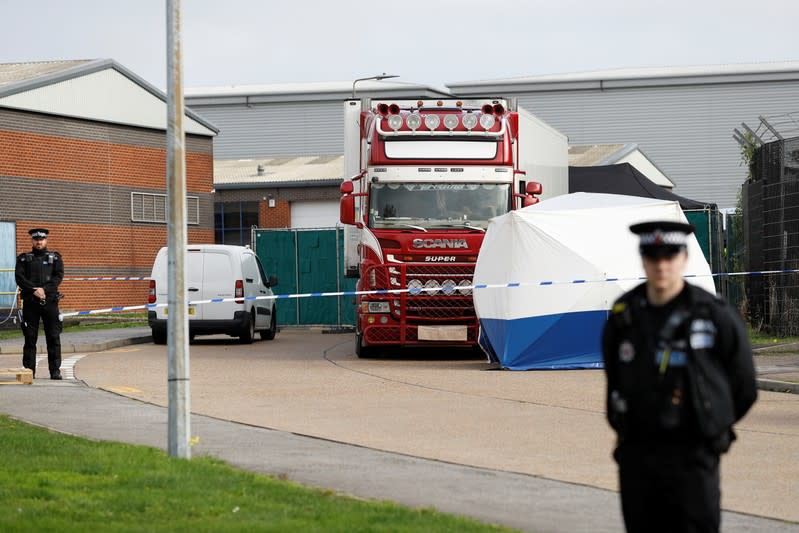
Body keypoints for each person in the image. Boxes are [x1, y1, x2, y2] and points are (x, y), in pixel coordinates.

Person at [602, 220, 757, 533]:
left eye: (670, 256)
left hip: (693, 455)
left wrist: (712, 425)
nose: (662, 266)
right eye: (653, 257)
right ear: (643, 259)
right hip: (639, 456)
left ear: (684, 258)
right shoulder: (624, 315)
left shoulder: (713, 314)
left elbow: (744, 386)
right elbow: (616, 379)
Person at [15, 228, 65, 380]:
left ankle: (55, 371)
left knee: (54, 337)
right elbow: (19, 278)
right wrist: (33, 290)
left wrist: (44, 289)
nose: (39, 241)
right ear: (32, 240)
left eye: (41, 239)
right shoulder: (24, 259)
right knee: (30, 338)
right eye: (36, 239)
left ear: (46, 240)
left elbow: (58, 276)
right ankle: (29, 371)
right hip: (31, 303)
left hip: (50, 302)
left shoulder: (55, 258)